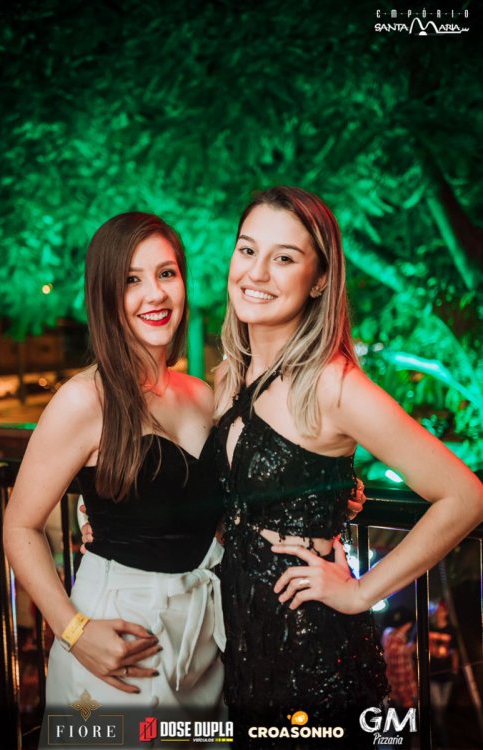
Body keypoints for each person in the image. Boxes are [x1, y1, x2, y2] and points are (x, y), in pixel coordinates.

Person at [212, 186, 483, 748]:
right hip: (242, 648)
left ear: (318, 280)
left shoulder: (333, 385)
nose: (256, 272)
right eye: (248, 250)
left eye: (284, 258)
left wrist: (361, 593)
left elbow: (465, 496)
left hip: (312, 657)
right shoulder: (231, 374)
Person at [3, 213, 226, 734]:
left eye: (166, 273)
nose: (155, 293)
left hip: (202, 645)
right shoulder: (84, 399)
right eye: (131, 279)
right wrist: (74, 632)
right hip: (118, 640)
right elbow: (19, 526)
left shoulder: (201, 395)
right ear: (105, 295)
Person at [381, 607, 417, 749]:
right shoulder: (398, 645)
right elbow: (400, 675)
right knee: (405, 735)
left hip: (391, 694)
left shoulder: (388, 635)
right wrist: (407, 699)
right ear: (407, 624)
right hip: (403, 698)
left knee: (395, 733)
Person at [429, 600, 459, 748]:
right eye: (438, 610)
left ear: (446, 612)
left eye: (442, 610)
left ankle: (438, 734)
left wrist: (455, 669)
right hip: (432, 673)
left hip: (447, 675)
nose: (440, 612)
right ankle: (441, 738)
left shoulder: (451, 630)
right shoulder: (429, 627)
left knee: (442, 706)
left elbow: (454, 651)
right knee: (438, 705)